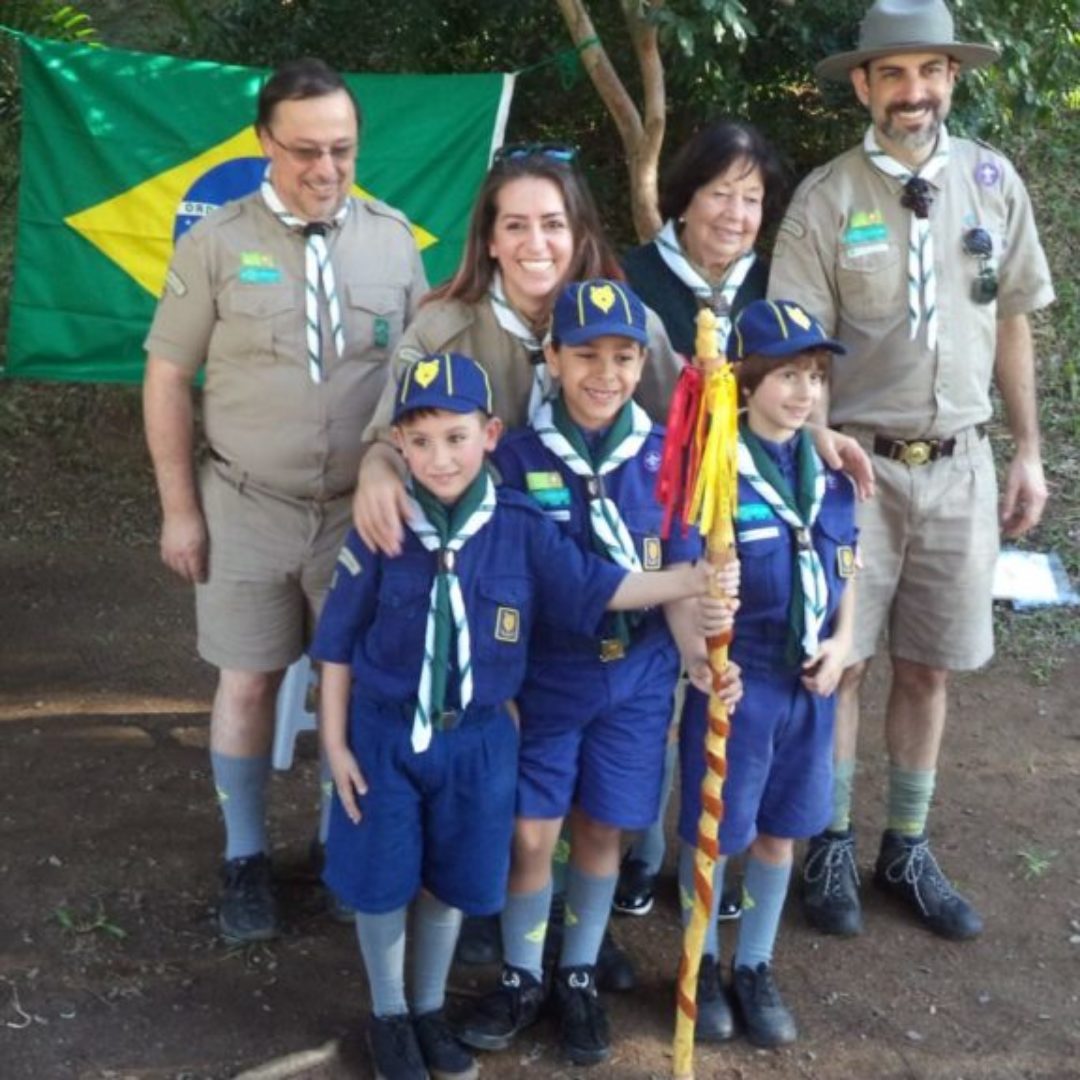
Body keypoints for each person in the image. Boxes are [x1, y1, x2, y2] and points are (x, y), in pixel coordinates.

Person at [312, 350, 725, 1080]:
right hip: (383, 737)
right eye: (421, 440)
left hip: (477, 741)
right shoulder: (385, 528)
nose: (440, 457)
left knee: (449, 877)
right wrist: (336, 745)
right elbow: (338, 644)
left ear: (492, 434)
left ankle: (430, 1010)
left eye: (456, 437)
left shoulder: (522, 526)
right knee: (382, 881)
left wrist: (691, 579)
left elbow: (601, 585)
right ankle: (388, 1014)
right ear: (400, 446)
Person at [354, 144, 682, 983]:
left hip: (600, 588)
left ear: (579, 234)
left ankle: (575, 928)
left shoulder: (624, 320)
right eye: (516, 226)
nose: (537, 242)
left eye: (554, 223)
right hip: (488, 583)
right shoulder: (444, 324)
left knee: (594, 773)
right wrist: (377, 467)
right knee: (512, 762)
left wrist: (814, 431)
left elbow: (696, 426)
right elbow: (390, 434)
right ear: (489, 240)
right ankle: (480, 900)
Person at [768, 0, 1054, 942]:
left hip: (963, 470)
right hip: (858, 469)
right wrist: (815, 449)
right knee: (840, 666)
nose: (912, 92)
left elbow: (1011, 319)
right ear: (862, 84)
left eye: (928, 72)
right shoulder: (825, 198)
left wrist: (1029, 450)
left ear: (951, 80)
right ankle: (834, 843)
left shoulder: (991, 181)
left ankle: (908, 843)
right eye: (892, 73)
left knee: (930, 669)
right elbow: (792, 352)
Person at [142, 57, 428, 942]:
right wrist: (179, 508)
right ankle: (244, 858)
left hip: (359, 508)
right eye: (305, 150)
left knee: (363, 684)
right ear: (265, 141)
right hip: (245, 503)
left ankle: (342, 848)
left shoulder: (392, 241)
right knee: (249, 678)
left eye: (342, 149)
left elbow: (420, 379)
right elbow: (165, 376)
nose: (326, 168)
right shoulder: (216, 243)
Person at [456, 280, 740, 1066]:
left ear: (641, 361)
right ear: (552, 357)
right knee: (531, 831)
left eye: (623, 357)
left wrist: (697, 655)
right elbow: (545, 584)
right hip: (546, 678)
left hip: (640, 679)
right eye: (585, 355)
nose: (605, 373)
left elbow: (684, 565)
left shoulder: (668, 458)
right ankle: (521, 974)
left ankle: (575, 974)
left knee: (605, 826)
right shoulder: (511, 460)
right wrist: (694, 585)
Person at [615, 119, 785, 922]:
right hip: (651, 506)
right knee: (656, 675)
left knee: (724, 673)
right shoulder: (638, 275)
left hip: (743, 515)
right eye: (721, 192)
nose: (735, 213)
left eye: (751, 198)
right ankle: (640, 849)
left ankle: (705, 848)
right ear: (685, 198)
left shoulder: (772, 285)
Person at [677, 299, 857, 1048]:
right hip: (740, 682)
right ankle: (703, 961)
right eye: (787, 374)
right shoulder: (717, 471)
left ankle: (755, 963)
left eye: (813, 376)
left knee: (783, 831)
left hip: (810, 685)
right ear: (746, 382)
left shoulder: (832, 472)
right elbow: (684, 577)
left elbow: (853, 565)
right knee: (720, 833)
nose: (804, 391)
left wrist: (845, 644)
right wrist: (697, 658)